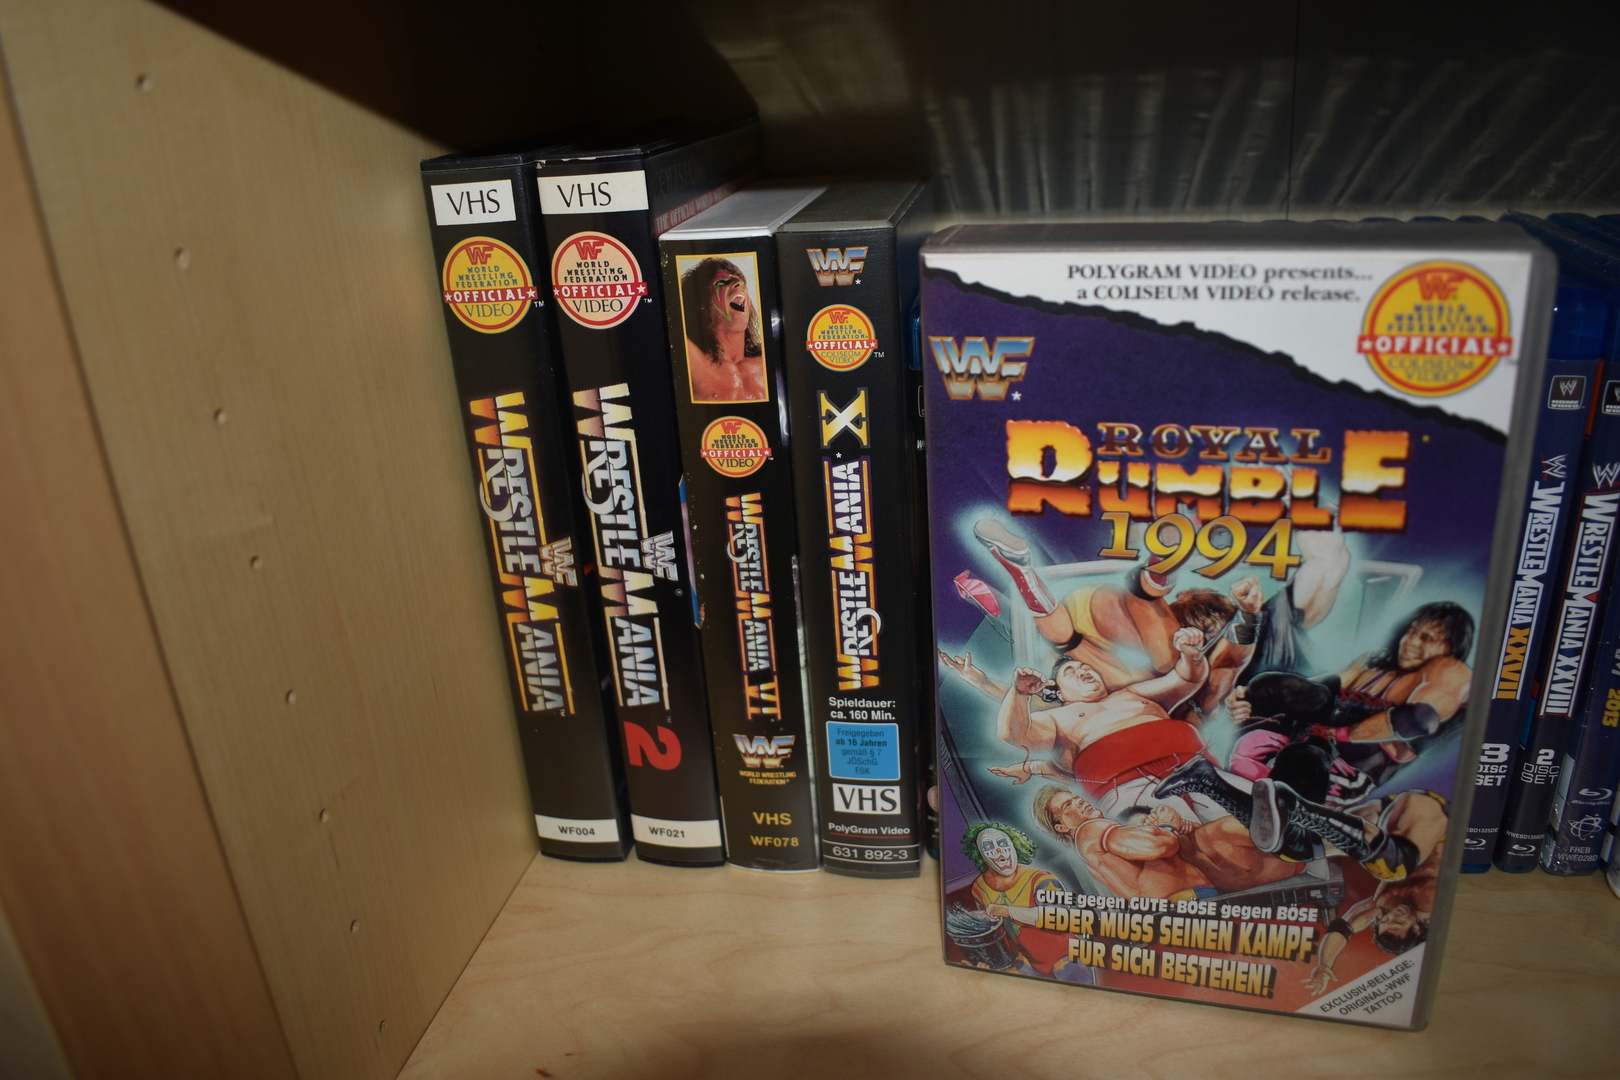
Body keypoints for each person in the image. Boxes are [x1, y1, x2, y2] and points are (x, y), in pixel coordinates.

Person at [972, 519, 1261, 715]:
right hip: (1104, 623)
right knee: (1161, 670)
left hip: (1085, 633)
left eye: (1209, 636)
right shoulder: (1183, 686)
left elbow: (1026, 708)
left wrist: (983, 682)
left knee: (1085, 655)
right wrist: (1248, 615)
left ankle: (1024, 571)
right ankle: (1155, 576)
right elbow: (1227, 665)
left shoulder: (1079, 706)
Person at [989, 628, 1233, 822]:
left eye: (1086, 667)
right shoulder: (1058, 717)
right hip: (1127, 785)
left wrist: (1190, 654)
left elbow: (1186, 678)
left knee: (1238, 827)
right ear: (1058, 692)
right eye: (1070, 672)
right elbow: (1013, 734)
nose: (1083, 672)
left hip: (1196, 765)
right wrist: (1020, 693)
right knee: (1179, 842)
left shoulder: (1132, 693)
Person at [1228, 602, 1474, 791]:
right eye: (1411, 632)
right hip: (1314, 733)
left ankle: (1289, 814)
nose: (1410, 643)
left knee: (1305, 756)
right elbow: (1311, 689)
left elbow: (1417, 720)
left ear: (1450, 648)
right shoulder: (1371, 663)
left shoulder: (1449, 670)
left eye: (1427, 638)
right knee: (1270, 685)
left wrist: (1338, 734)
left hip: (1354, 763)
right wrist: (1244, 698)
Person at [1295, 791, 1449, 994]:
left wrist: (1324, 964)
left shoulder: (1381, 906)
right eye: (1400, 922)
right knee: (1393, 869)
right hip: (1429, 813)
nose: (1394, 915)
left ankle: (1293, 816)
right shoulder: (1435, 903)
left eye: (1387, 920)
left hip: (1389, 814)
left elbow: (1342, 929)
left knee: (1307, 848)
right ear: (1418, 929)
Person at [956, 822, 1081, 979]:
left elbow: (1059, 918)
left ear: (1014, 846)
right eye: (989, 846)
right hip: (1027, 962)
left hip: (1067, 956)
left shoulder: (1041, 879)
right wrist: (983, 962)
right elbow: (992, 932)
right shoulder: (978, 888)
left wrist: (1007, 911)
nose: (998, 850)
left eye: (1002, 843)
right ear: (980, 854)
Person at [681, 257, 767, 402]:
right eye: (723, 282)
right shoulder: (691, 359)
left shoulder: (767, 361)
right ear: (701, 304)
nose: (739, 285)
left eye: (742, 284)